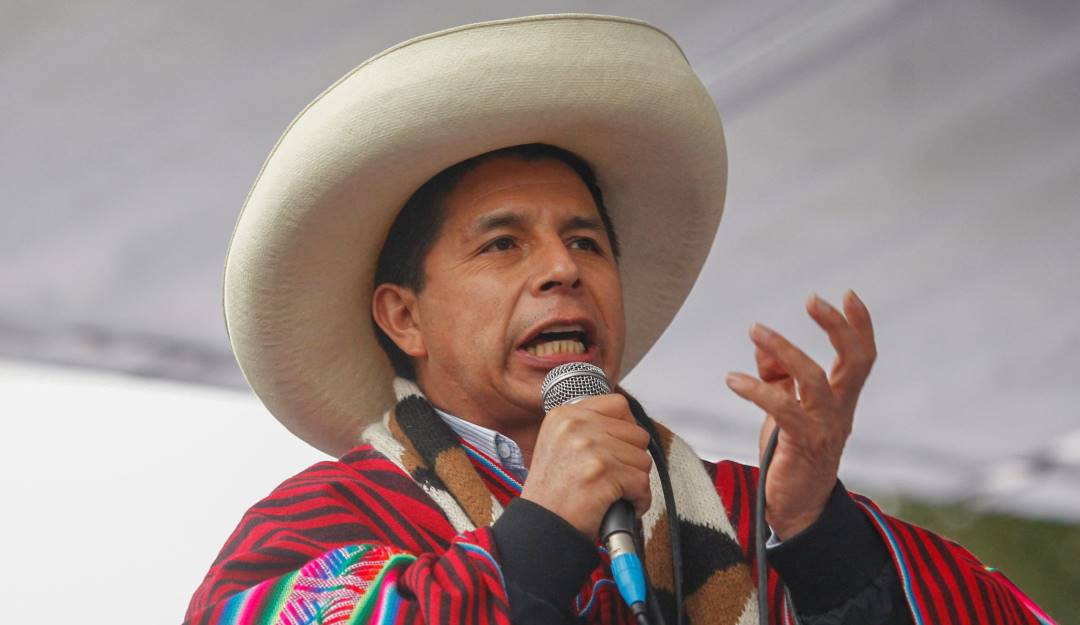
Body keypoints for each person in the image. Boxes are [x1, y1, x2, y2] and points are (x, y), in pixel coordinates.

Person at [184, 14, 1054, 625]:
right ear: (403, 316)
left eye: (586, 242)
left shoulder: (753, 514)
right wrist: (541, 532)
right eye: (502, 246)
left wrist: (817, 532)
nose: (563, 268)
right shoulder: (328, 522)